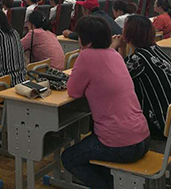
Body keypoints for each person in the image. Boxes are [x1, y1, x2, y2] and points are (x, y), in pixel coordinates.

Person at [61, 16, 150, 189]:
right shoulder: (114, 54)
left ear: (86, 40)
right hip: (143, 137)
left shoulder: (86, 56)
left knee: (69, 158)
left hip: (121, 144)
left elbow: (73, 91)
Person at [113, 15, 171, 138]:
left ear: (129, 34)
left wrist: (112, 47)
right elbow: (124, 69)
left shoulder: (139, 59)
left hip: (160, 125)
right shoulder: (155, 50)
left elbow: (115, 79)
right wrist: (122, 49)